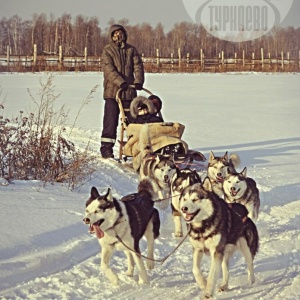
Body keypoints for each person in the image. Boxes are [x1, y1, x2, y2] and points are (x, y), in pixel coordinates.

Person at [100, 24, 145, 158]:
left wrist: (138, 81)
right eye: (115, 34)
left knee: (133, 122)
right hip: (113, 93)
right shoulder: (107, 51)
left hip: (129, 92)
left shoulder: (131, 50)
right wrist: (121, 82)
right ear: (111, 36)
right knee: (110, 120)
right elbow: (109, 71)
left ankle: (134, 149)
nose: (118, 36)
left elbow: (138, 66)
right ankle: (106, 149)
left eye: (120, 33)